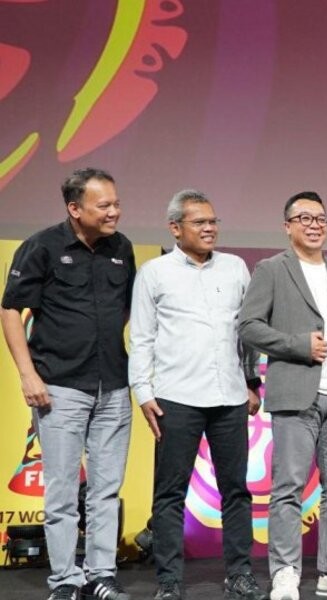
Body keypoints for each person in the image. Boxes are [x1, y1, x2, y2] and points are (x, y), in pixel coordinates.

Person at [0, 168, 135, 600]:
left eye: (116, 203)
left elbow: (123, 309)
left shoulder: (122, 248)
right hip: (59, 387)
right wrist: (28, 375)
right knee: (61, 491)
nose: (114, 212)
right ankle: (65, 581)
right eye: (104, 205)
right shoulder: (41, 246)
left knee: (105, 490)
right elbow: (10, 311)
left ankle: (101, 576)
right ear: (75, 209)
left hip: (114, 386)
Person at [128, 190, 267, 600]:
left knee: (236, 490)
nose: (209, 229)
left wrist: (252, 382)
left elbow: (247, 332)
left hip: (229, 397)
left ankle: (239, 574)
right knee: (170, 494)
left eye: (213, 221)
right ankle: (169, 581)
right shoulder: (154, 273)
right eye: (199, 222)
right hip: (176, 398)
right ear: (175, 228)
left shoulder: (235, 267)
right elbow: (141, 337)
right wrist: (143, 392)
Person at [238, 192, 327, 600]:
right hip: (296, 395)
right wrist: (299, 345)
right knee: (288, 487)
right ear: (287, 226)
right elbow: (249, 326)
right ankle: (285, 572)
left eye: (321, 218)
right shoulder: (271, 269)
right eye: (304, 218)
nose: (314, 225)